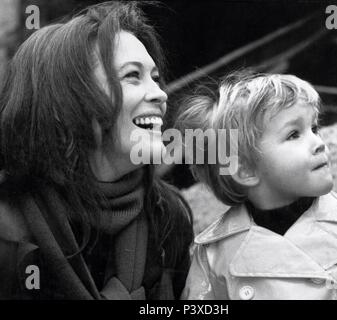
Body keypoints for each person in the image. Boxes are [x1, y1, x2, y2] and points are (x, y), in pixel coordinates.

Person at [0, 1, 193, 300]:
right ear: (65, 102)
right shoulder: (7, 227)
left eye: (155, 78)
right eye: (132, 76)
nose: (160, 94)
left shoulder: (170, 217)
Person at [176, 70, 337, 299]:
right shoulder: (214, 256)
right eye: (294, 134)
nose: (318, 142)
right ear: (245, 170)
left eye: (314, 128)